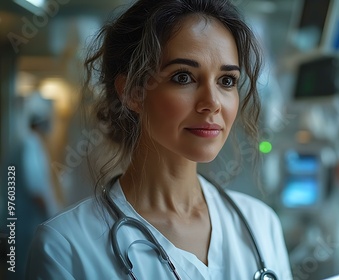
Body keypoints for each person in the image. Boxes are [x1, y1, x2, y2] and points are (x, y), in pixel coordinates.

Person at [25, 0, 293, 279]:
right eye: (183, 77)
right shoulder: (65, 247)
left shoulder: (261, 224)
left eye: (226, 81)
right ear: (132, 91)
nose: (212, 103)